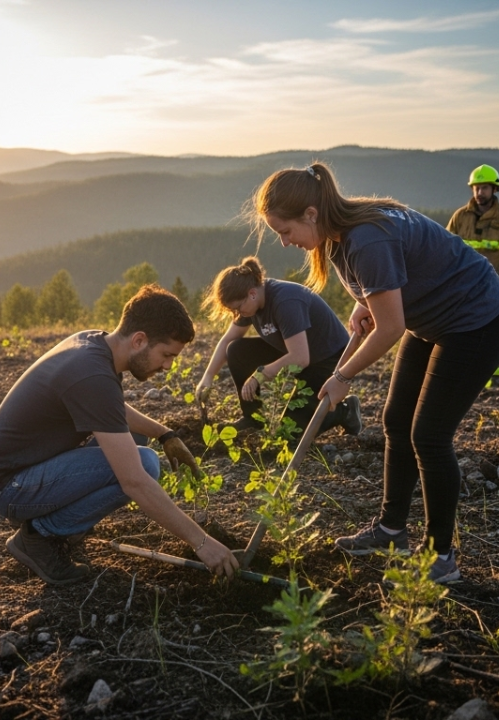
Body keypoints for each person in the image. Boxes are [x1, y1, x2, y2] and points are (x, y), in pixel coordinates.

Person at [249, 161, 499, 583]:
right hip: (431, 315)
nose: (284, 241)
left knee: (430, 436)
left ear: (311, 214)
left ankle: (441, 558)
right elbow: (400, 274)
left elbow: (391, 329)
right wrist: (369, 299)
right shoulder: (342, 229)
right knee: (396, 421)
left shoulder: (365, 239)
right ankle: (390, 532)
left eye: (285, 231)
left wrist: (342, 376)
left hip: (474, 320)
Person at [0, 285, 239, 585]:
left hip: (25, 469)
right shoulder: (92, 375)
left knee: (136, 441)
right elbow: (134, 482)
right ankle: (39, 535)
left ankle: (57, 520)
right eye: (166, 355)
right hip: (10, 487)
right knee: (145, 466)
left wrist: (165, 434)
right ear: (139, 340)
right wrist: (202, 543)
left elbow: (110, 410)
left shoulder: (95, 345)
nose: (168, 366)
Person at [194, 256, 362, 440]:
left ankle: (344, 412)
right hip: (295, 351)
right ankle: (253, 420)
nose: (237, 314)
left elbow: (300, 358)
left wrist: (260, 375)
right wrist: (208, 377)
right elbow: (227, 340)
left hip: (328, 360)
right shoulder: (251, 304)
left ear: (252, 293)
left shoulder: (285, 302)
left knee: (288, 435)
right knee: (236, 350)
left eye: (238, 308)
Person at [446, 164, 499, 246]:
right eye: (477, 188)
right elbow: (446, 244)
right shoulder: (460, 216)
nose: (480, 193)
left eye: (485, 188)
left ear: (494, 189)